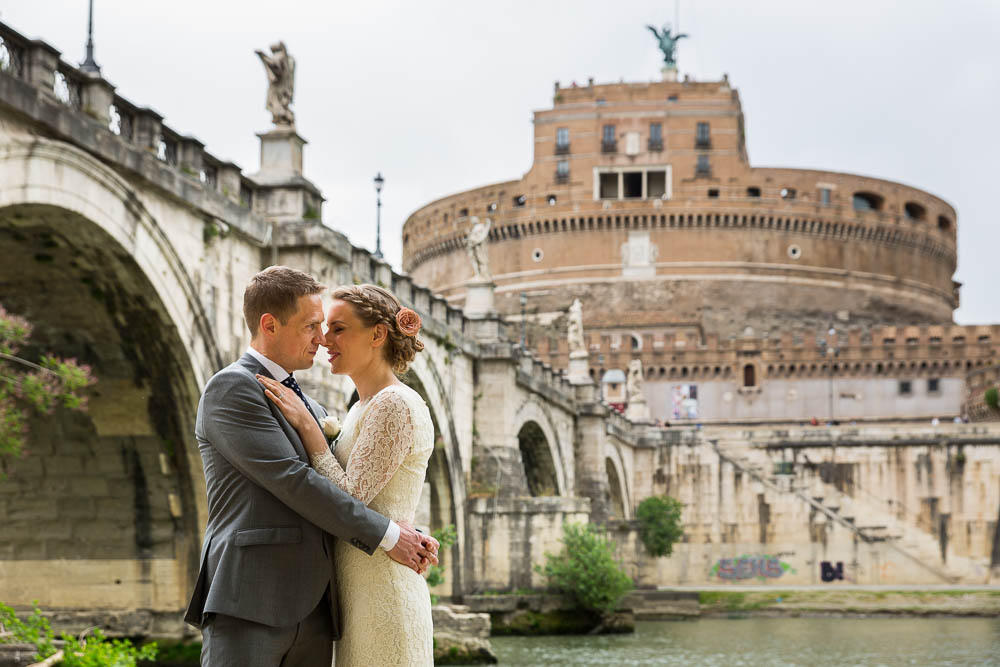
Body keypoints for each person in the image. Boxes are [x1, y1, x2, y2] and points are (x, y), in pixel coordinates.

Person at [184, 267, 438, 667]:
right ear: (270, 324)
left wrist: (402, 524)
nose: (321, 340)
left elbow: (359, 484)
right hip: (252, 600)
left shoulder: (314, 409)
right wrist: (390, 534)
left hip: (322, 611)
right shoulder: (231, 388)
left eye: (330, 327)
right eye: (312, 326)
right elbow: (294, 480)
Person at [258, 284, 436, 665]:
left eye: (338, 328)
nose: (323, 339)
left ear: (377, 334)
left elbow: (350, 498)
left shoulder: (394, 404)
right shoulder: (362, 408)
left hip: (383, 590)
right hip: (358, 590)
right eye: (323, 328)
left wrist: (310, 430)